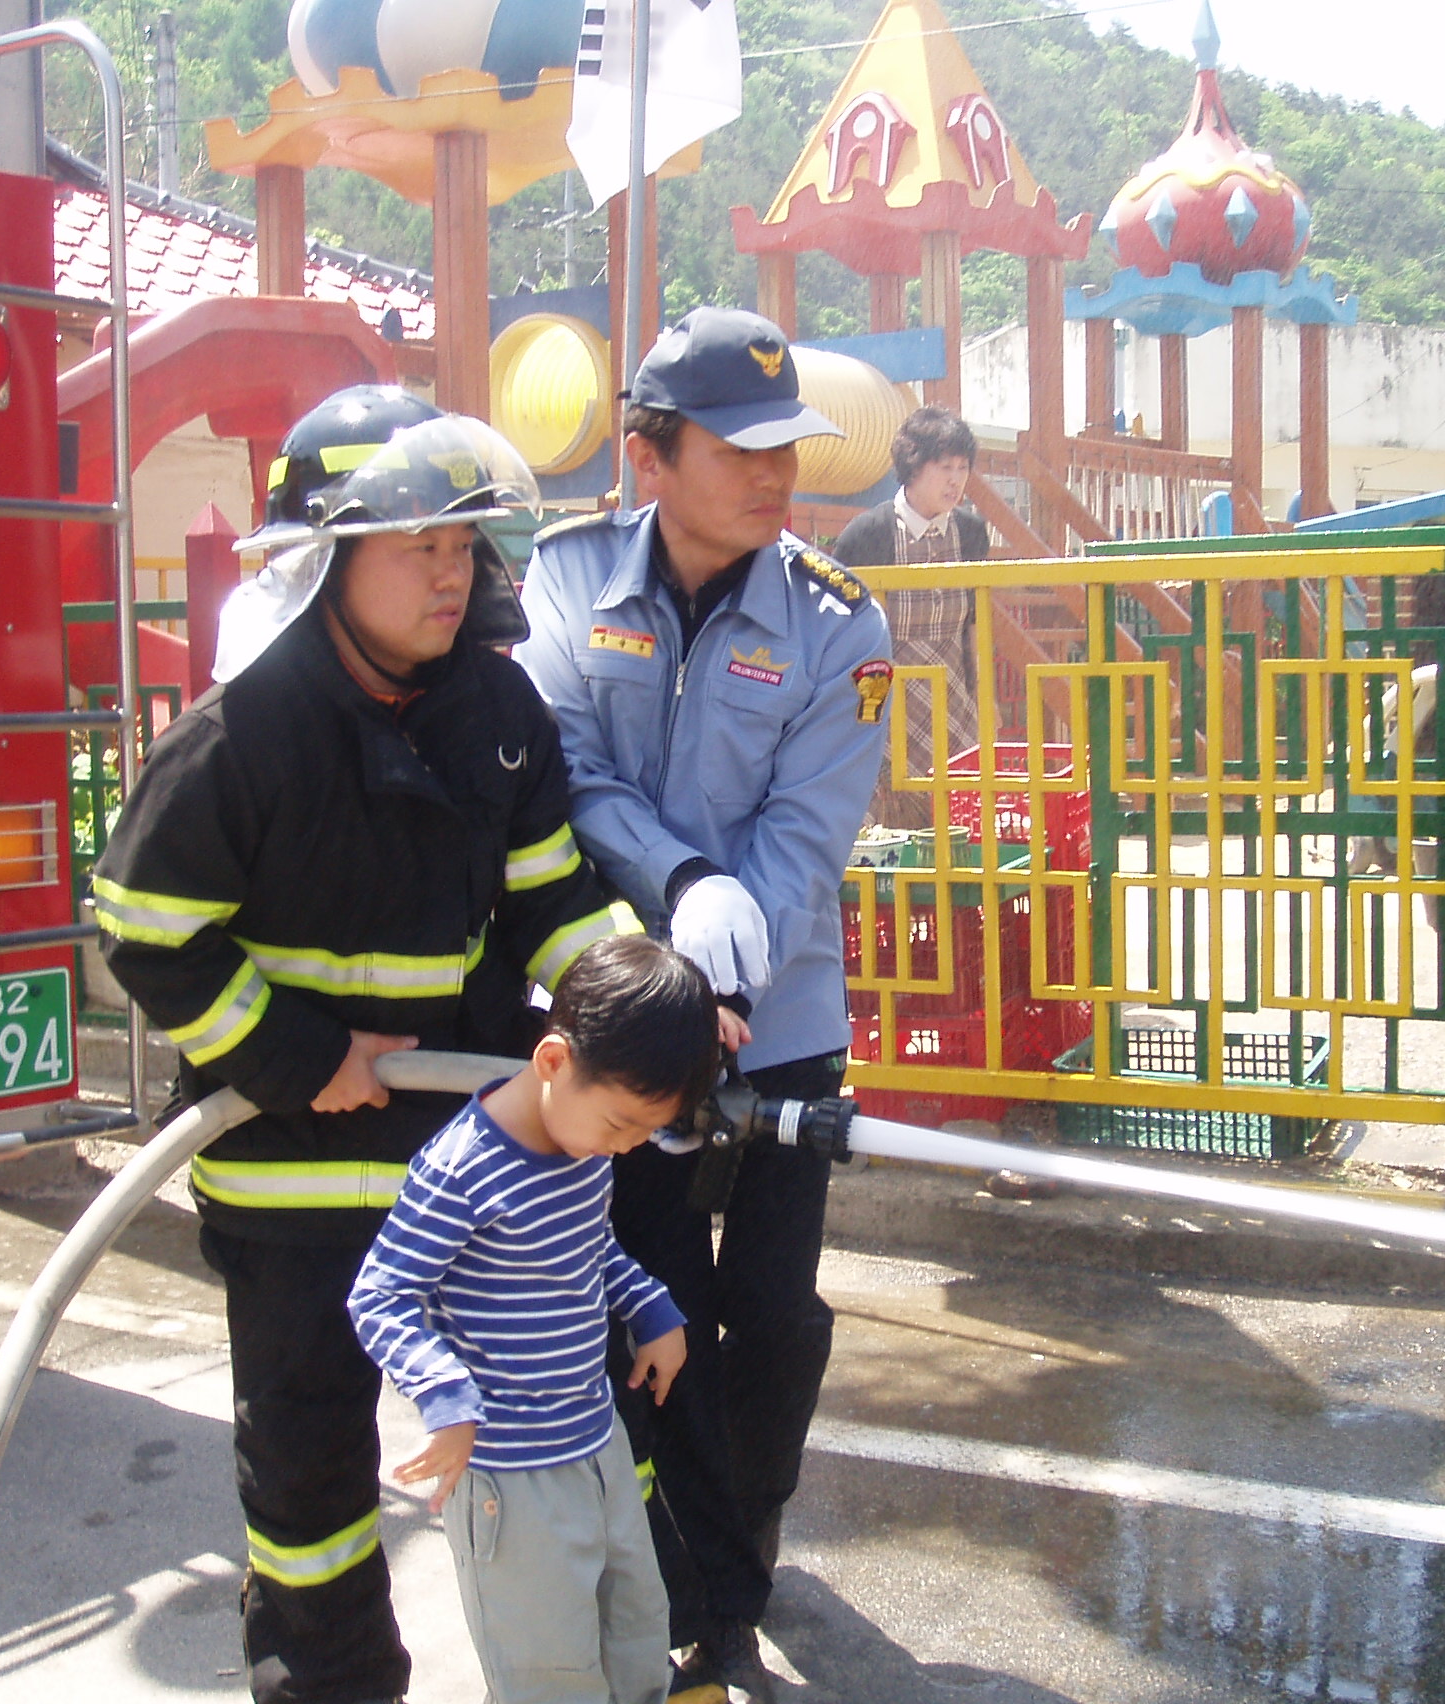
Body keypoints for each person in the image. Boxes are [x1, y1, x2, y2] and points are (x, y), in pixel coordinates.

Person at [92, 393, 639, 1704]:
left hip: (464, 1179)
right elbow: (145, 925)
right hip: (290, 1181)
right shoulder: (244, 734)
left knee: (541, 1442)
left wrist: (637, 1002)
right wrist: (299, 1054)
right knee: (310, 1484)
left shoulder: (496, 712)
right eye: (417, 548)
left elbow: (551, 900)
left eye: (462, 546)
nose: (452, 576)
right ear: (326, 562)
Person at [514, 305, 894, 1703]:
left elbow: (806, 834)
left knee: (775, 1319)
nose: (776, 476)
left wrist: (732, 969)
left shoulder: (841, 623)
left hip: (782, 1020)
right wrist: (677, 898)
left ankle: (750, 1523)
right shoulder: (566, 580)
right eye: (741, 449)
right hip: (629, 1021)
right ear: (648, 456)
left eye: (787, 448)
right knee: (655, 1309)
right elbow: (566, 773)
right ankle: (705, 1600)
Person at [347, 935, 721, 1704]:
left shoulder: (583, 1146)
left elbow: (588, 1248)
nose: (626, 1148)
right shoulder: (461, 1170)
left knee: (637, 1634)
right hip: (510, 1481)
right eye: (621, 1125)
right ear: (553, 1061)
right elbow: (380, 1295)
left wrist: (648, 1304)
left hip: (597, 1445)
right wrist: (445, 1397)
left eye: (644, 1132)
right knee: (549, 1675)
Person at [829, 408, 989, 830]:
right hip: (885, 703)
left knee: (958, 826)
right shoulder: (868, 533)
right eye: (945, 468)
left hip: (954, 703)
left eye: (963, 468)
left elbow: (974, 622)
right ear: (914, 468)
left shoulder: (971, 532)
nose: (956, 480)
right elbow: (839, 633)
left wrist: (983, 696)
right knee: (886, 829)